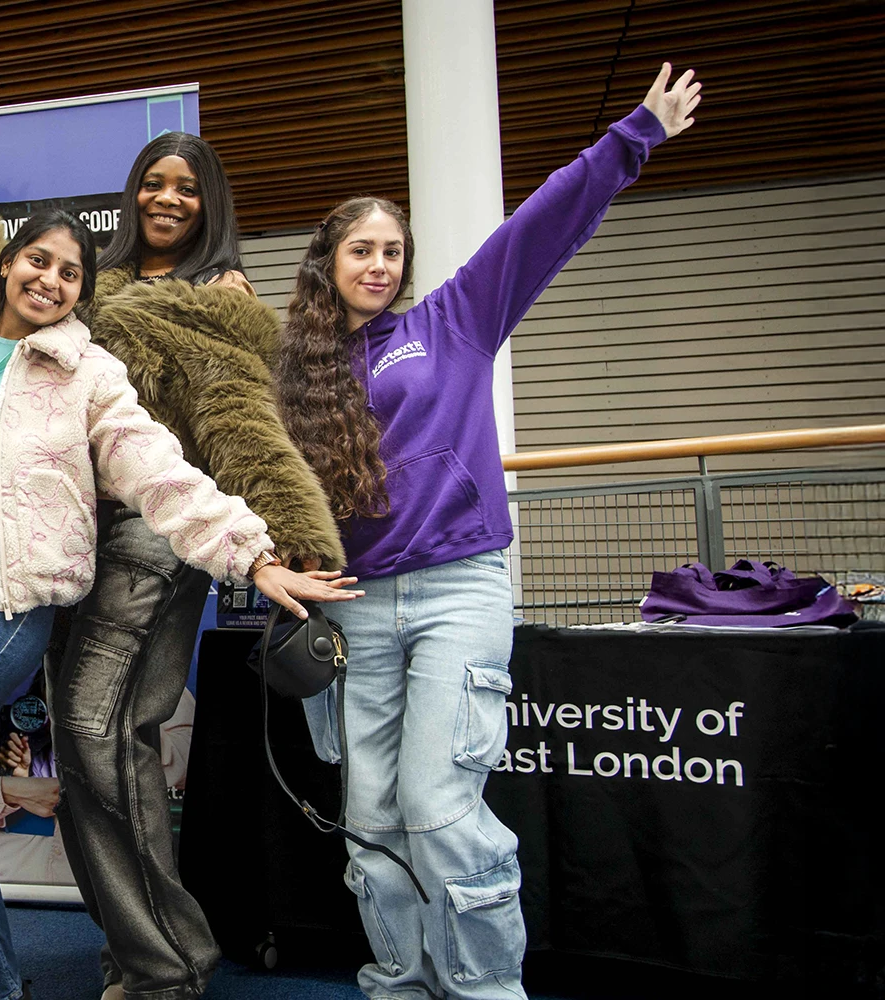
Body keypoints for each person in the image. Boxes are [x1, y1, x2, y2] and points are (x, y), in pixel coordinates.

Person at [0, 210, 360, 999]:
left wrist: (255, 555)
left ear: (80, 294)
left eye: (69, 273)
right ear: (7, 264)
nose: (49, 280)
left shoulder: (87, 371)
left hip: (1, 567)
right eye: (38, 260)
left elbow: (157, 470)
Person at [276, 64, 702, 1000]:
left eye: (393, 249)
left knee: (438, 807)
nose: (380, 264)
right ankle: (400, 981)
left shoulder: (453, 322)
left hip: (456, 587)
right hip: (353, 609)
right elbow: (273, 487)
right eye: (361, 251)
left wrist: (634, 135)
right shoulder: (296, 371)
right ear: (327, 263)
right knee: (372, 817)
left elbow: (540, 225)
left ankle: (481, 991)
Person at [0, 119, 344, 1000]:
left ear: (210, 204)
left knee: (96, 731)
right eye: (155, 182)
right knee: (88, 752)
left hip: (156, 536)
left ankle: (167, 961)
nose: (168, 198)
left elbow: (243, 429)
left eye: (188, 187)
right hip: (67, 533)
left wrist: (285, 543)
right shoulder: (89, 287)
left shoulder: (220, 302)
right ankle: (141, 950)